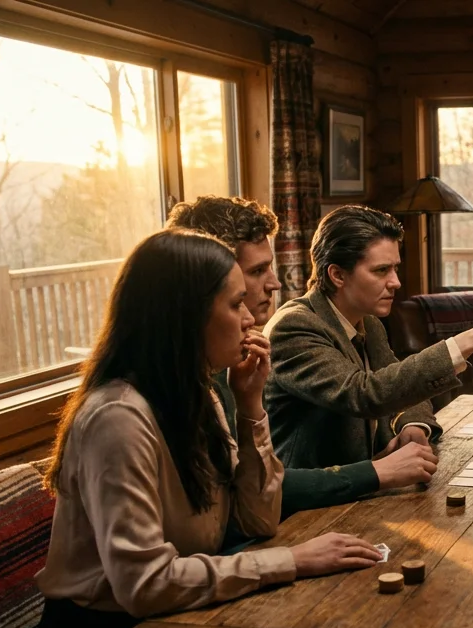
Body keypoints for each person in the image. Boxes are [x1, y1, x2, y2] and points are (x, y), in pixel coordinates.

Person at [32, 229, 384, 628]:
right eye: (236, 302)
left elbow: (258, 519)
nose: (250, 318)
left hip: (178, 625)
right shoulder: (119, 419)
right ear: (186, 316)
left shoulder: (199, 392)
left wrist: (251, 408)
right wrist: (294, 560)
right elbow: (145, 585)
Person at [166, 196, 434, 514]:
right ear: (205, 279)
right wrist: (377, 472)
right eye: (257, 271)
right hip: (294, 522)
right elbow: (242, 502)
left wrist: (412, 427)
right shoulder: (174, 386)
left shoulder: (233, 358)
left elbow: (251, 492)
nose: (275, 283)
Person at [264, 205, 473, 472]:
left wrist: (414, 427)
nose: (395, 282)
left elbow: (400, 386)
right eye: (381, 270)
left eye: (395, 268)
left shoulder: (369, 321)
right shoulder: (294, 326)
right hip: (307, 506)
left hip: (368, 488)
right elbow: (363, 394)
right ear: (337, 274)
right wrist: (462, 344)